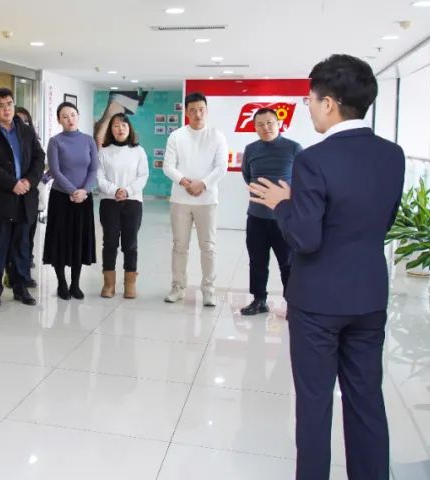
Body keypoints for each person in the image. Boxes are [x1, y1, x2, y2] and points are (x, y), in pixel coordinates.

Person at [249, 54, 405, 480]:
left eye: (310, 101)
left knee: (315, 405)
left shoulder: (314, 160)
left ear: (330, 103)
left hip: (318, 301)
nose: (310, 108)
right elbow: (382, 221)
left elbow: (306, 238)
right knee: (366, 400)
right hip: (369, 295)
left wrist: (283, 204)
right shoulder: (392, 155)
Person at [0, 88, 44, 308]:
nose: (6, 109)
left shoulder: (26, 131)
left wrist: (29, 181)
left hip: (25, 198)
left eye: (9, 104)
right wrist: (12, 183)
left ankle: (21, 288)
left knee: (22, 247)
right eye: (1, 105)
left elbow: (39, 157)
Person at [162, 92, 228, 306]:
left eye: (201, 110)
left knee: (208, 247)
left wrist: (203, 184)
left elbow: (221, 167)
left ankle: (208, 290)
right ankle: (178, 287)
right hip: (180, 200)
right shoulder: (176, 136)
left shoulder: (217, 135)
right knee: (179, 245)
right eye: (193, 110)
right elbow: (168, 166)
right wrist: (185, 182)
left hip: (207, 200)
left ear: (206, 111)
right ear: (186, 112)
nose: (198, 114)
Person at [240, 107, 302, 316]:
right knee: (257, 261)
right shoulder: (251, 149)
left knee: (288, 263)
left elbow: (304, 180)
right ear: (255, 127)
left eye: (269, 123)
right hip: (256, 217)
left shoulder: (294, 148)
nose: (265, 127)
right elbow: (248, 176)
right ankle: (259, 300)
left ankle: (293, 303)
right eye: (260, 124)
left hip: (284, 218)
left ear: (279, 124)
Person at [43, 102, 99, 300]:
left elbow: (93, 169)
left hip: (84, 198)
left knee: (79, 240)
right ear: (59, 120)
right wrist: (72, 191)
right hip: (61, 198)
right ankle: (62, 283)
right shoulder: (55, 142)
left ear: (78, 116)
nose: (70, 119)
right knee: (60, 240)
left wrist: (84, 191)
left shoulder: (88, 141)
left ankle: (75, 284)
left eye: (73, 114)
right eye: (65, 116)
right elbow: (55, 171)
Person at [97, 113, 148, 298]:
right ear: (111, 129)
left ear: (129, 128)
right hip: (109, 202)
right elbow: (99, 177)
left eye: (124, 125)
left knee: (130, 243)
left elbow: (143, 176)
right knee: (110, 242)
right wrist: (115, 190)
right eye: (116, 126)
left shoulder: (138, 151)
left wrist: (127, 191)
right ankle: (109, 284)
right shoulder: (104, 151)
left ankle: (130, 284)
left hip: (133, 202)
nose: (120, 129)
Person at [4, 106, 39, 288]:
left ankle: (24, 275)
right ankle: (11, 274)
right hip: (9, 196)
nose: (21, 123)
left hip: (29, 196)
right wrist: (14, 184)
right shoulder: (6, 139)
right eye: (18, 120)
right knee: (11, 240)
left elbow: (39, 162)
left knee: (27, 239)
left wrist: (28, 181)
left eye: (25, 121)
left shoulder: (31, 138)